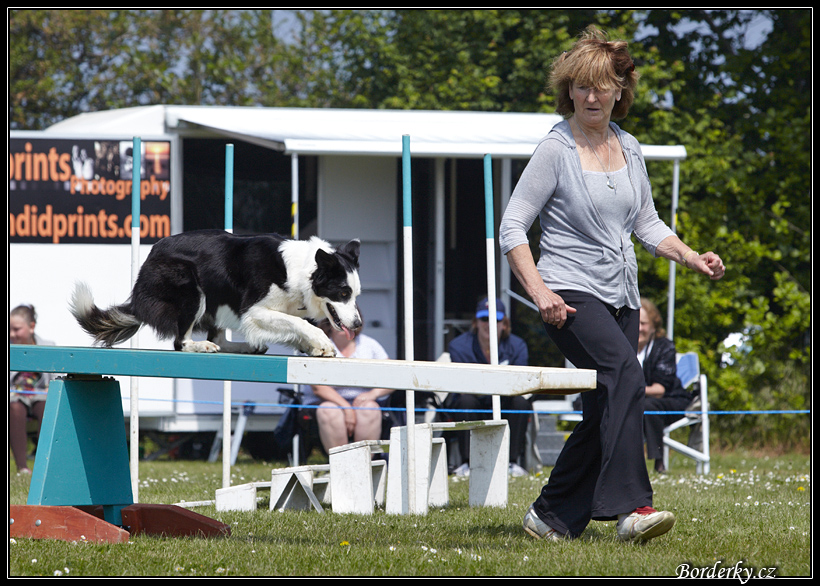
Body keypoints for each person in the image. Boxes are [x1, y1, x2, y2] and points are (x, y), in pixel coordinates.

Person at [499, 25, 725, 543]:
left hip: (621, 292)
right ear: (569, 91)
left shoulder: (629, 146)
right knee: (625, 374)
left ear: (621, 89)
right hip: (569, 291)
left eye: (603, 84)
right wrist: (541, 293)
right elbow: (512, 227)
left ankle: (550, 516)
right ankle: (633, 508)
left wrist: (692, 258)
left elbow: (646, 223)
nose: (592, 95)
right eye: (582, 85)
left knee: (607, 403)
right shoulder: (555, 149)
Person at [446, 297, 532, 478]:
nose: (489, 324)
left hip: (505, 402)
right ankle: (469, 463)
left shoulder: (518, 346)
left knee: (521, 403)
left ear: (505, 324)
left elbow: (520, 383)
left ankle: (511, 462)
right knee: (465, 401)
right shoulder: (458, 345)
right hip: (473, 402)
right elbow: (462, 384)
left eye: (496, 319)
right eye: (484, 319)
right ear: (476, 322)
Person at [301, 317, 394, 453]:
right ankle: (341, 465)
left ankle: (363, 465)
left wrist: (373, 394)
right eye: (339, 323)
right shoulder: (318, 345)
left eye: (347, 323)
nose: (343, 327)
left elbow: (393, 377)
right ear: (329, 323)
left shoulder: (370, 344)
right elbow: (318, 387)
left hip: (362, 401)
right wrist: (346, 407)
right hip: (326, 401)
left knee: (370, 409)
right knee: (329, 410)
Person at [639, 297, 692, 474]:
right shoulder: (622, 347)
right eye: (634, 323)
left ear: (654, 326)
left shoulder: (665, 347)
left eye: (643, 323)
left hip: (671, 400)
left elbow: (659, 390)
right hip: (637, 402)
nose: (638, 328)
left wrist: (628, 390)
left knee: (648, 406)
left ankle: (658, 461)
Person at [9, 304, 56, 474]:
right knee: (14, 407)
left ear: (31, 327)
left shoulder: (48, 346)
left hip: (40, 394)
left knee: (47, 408)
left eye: (16, 329)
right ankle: (22, 467)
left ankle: (43, 466)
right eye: (10, 329)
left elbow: (56, 377)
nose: (12, 334)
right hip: (15, 395)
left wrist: (50, 389)